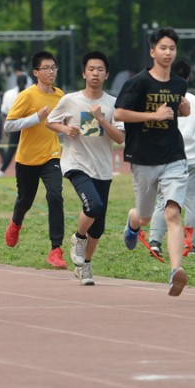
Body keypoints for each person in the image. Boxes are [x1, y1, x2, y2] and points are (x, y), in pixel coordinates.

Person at [114, 27, 191, 296]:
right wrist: (153, 116)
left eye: (172, 48)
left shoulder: (180, 83)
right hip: (144, 158)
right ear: (152, 52)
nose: (168, 52)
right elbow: (120, 112)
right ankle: (133, 222)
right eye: (163, 48)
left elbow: (183, 107)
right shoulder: (138, 83)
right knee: (145, 216)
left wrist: (185, 109)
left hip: (173, 156)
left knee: (172, 213)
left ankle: (175, 271)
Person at [46, 51, 125, 285]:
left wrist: (101, 120)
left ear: (106, 74)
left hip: (101, 168)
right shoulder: (70, 100)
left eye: (100, 69)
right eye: (91, 69)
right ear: (84, 73)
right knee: (93, 205)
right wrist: (64, 130)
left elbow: (120, 137)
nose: (95, 73)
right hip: (75, 164)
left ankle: (85, 266)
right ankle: (78, 237)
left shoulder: (113, 103)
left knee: (98, 228)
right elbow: (50, 121)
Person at [3, 50, 67, 269]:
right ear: (36, 72)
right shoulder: (27, 96)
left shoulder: (60, 95)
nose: (51, 72)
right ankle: (16, 223)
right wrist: (35, 118)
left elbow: (66, 119)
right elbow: (9, 125)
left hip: (52, 155)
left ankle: (56, 249)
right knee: (25, 201)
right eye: (46, 68)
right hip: (27, 159)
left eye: (54, 67)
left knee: (55, 195)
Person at [147, 60, 195, 255]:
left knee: (162, 200)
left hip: (166, 158)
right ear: (188, 79)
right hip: (190, 158)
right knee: (191, 203)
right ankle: (190, 245)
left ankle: (155, 242)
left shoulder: (161, 101)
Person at [0, 73, 27, 178]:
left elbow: (4, 112)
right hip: (28, 124)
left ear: (16, 82)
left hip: (14, 124)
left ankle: (2, 170)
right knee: (28, 149)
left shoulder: (9, 94)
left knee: (11, 149)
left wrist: (5, 127)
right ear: (26, 83)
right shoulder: (31, 92)